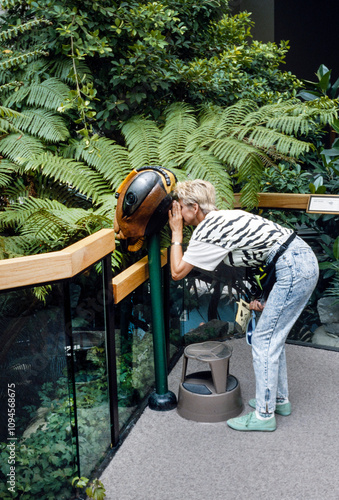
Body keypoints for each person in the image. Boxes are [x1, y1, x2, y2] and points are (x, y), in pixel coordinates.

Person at [168, 179, 319, 432]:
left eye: (180, 208)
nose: (178, 215)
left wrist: (176, 233)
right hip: (298, 261)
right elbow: (270, 251)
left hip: (293, 268)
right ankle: (278, 400)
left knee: (264, 341)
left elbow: (177, 271)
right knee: (273, 338)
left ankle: (264, 415)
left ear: (193, 207)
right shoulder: (225, 216)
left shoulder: (207, 230)